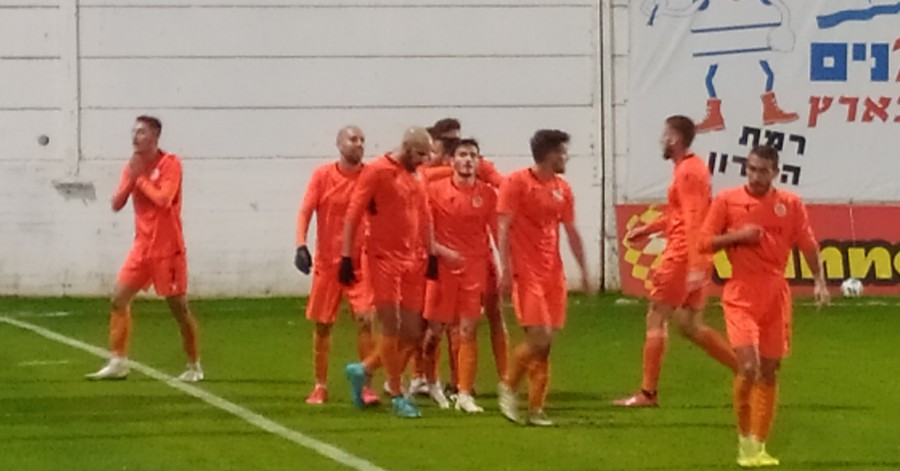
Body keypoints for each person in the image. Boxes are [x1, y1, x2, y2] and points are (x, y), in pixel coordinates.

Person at [700, 145, 829, 467]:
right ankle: (744, 439)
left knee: (770, 371)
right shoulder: (727, 200)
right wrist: (738, 237)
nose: (756, 176)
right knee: (748, 367)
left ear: (775, 172)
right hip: (741, 293)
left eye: (763, 171)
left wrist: (819, 280)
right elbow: (703, 242)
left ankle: (758, 445)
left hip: (775, 295)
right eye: (752, 169)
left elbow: (808, 244)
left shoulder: (790, 204)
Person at [613, 115, 737, 408]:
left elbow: (693, 219)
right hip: (695, 254)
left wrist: (693, 265)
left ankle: (648, 393)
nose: (661, 140)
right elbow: (681, 214)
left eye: (664, 135)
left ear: (675, 138)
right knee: (689, 324)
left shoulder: (688, 172)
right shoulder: (691, 168)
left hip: (682, 255)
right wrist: (649, 228)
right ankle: (747, 370)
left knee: (656, 315)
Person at [86, 116, 202, 382]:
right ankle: (118, 361)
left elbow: (164, 199)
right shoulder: (133, 167)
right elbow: (116, 203)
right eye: (134, 131)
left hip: (167, 247)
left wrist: (140, 179)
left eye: (141, 132)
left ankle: (194, 364)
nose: (135, 137)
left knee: (179, 309)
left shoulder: (170, 163)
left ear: (155, 137)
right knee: (118, 298)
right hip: (142, 247)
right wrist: (131, 178)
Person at [496, 129, 591, 426]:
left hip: (553, 274)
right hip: (526, 272)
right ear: (550, 154)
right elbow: (503, 228)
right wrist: (505, 269)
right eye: (562, 152)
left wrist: (584, 271)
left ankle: (536, 408)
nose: (566, 157)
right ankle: (508, 385)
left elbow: (571, 231)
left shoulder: (563, 188)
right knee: (540, 336)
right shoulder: (516, 183)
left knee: (544, 345)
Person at [340, 127, 434, 418]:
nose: (423, 160)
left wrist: (431, 253)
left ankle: (364, 368)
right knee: (391, 326)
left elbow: (425, 217)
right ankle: (396, 393)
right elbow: (353, 213)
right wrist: (346, 256)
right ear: (407, 147)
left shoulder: (416, 176)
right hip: (383, 259)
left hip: (412, 260)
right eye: (420, 154)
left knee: (413, 331)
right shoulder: (377, 171)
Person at [294, 126, 379, 406]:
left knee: (366, 320)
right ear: (339, 144)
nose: (359, 144)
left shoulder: (371, 177)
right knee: (323, 325)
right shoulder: (322, 175)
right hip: (328, 263)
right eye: (353, 139)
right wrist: (300, 245)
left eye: (362, 140)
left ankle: (366, 385)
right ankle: (320, 385)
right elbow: (305, 210)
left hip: (360, 264)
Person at [422, 138, 497, 413]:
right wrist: (443, 252)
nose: (468, 160)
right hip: (442, 271)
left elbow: (496, 233)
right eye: (463, 155)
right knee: (434, 333)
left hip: (473, 271)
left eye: (473, 156)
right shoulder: (433, 191)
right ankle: (431, 382)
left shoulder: (488, 195)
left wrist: (504, 268)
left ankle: (464, 392)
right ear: (451, 161)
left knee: (468, 330)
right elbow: (423, 232)